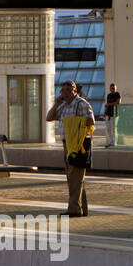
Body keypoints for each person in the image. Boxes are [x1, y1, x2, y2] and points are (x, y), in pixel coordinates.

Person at [46, 80, 95, 217]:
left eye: (68, 90)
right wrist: (57, 102)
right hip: (67, 144)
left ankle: (74, 209)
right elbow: (49, 117)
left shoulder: (81, 104)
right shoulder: (63, 106)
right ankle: (81, 208)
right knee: (74, 177)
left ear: (75, 91)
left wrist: (75, 123)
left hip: (78, 144)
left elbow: (91, 121)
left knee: (75, 177)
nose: (65, 93)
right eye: (62, 91)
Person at [103, 82, 121, 148]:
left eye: (114, 88)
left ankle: (114, 142)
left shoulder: (117, 94)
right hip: (108, 114)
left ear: (116, 88)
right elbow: (107, 105)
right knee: (108, 129)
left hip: (114, 114)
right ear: (110, 89)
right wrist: (105, 113)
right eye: (112, 88)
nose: (113, 89)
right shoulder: (109, 95)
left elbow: (118, 102)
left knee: (114, 129)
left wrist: (110, 104)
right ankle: (109, 142)